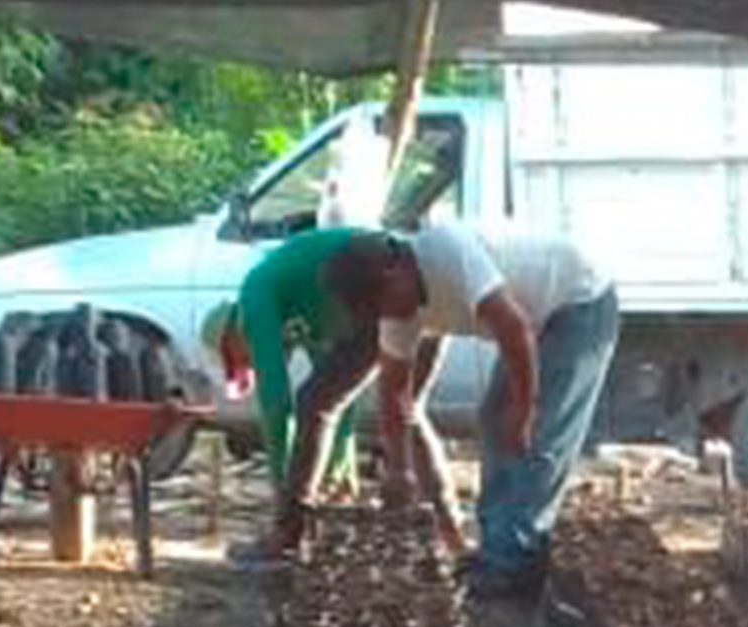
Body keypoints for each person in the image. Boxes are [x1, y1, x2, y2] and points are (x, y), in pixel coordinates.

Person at [336, 222, 620, 597]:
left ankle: (512, 563)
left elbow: (513, 328)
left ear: (394, 271)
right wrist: (399, 470)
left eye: (382, 303)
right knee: (492, 421)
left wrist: (524, 411)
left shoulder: (445, 249)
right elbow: (394, 396)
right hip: (532, 320)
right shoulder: (395, 309)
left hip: (579, 300)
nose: (387, 316)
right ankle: (495, 549)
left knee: (536, 437)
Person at [203, 225, 372, 507]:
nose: (249, 365)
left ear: (232, 337)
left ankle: (302, 498)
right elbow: (339, 395)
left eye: (240, 360)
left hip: (365, 265)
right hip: (381, 272)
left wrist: (283, 487)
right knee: (330, 394)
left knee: (316, 400)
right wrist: (340, 471)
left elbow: (276, 404)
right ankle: (335, 485)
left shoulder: (254, 300)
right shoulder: (299, 309)